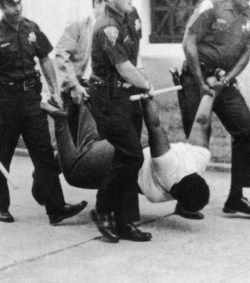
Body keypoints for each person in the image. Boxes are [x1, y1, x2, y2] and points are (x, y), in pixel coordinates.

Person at [0, 0, 87, 225]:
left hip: (30, 100)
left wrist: (54, 90)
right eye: (10, 4)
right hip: (3, 103)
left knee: (44, 153)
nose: (17, 8)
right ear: (0, 5)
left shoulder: (31, 29)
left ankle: (56, 208)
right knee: (2, 153)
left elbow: (45, 59)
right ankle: (1, 206)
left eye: (19, 2)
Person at [42, 76, 225, 225]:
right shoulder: (168, 169)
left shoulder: (199, 159)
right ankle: (60, 120)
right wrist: (147, 96)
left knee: (91, 138)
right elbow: (154, 126)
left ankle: (83, 92)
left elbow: (201, 122)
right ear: (174, 193)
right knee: (74, 171)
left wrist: (211, 93)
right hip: (118, 157)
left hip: (120, 148)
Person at [180, 0, 250, 215]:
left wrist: (227, 79)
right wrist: (199, 80)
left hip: (223, 82)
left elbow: (248, 51)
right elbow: (189, 41)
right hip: (197, 79)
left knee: (246, 130)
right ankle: (186, 201)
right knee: (197, 139)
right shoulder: (210, 6)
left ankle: (236, 198)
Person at [87, 0, 154, 243]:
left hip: (128, 98)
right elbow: (125, 68)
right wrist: (146, 85)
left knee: (126, 158)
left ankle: (125, 221)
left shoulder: (132, 16)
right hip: (109, 100)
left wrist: (139, 83)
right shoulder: (106, 28)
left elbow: (133, 57)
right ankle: (102, 208)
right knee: (132, 155)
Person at [54, 0, 103, 142]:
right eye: (108, 7)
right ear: (97, 3)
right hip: (76, 89)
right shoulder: (79, 25)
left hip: (99, 90)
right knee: (73, 139)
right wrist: (74, 85)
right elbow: (61, 55)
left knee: (97, 139)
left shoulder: (110, 28)